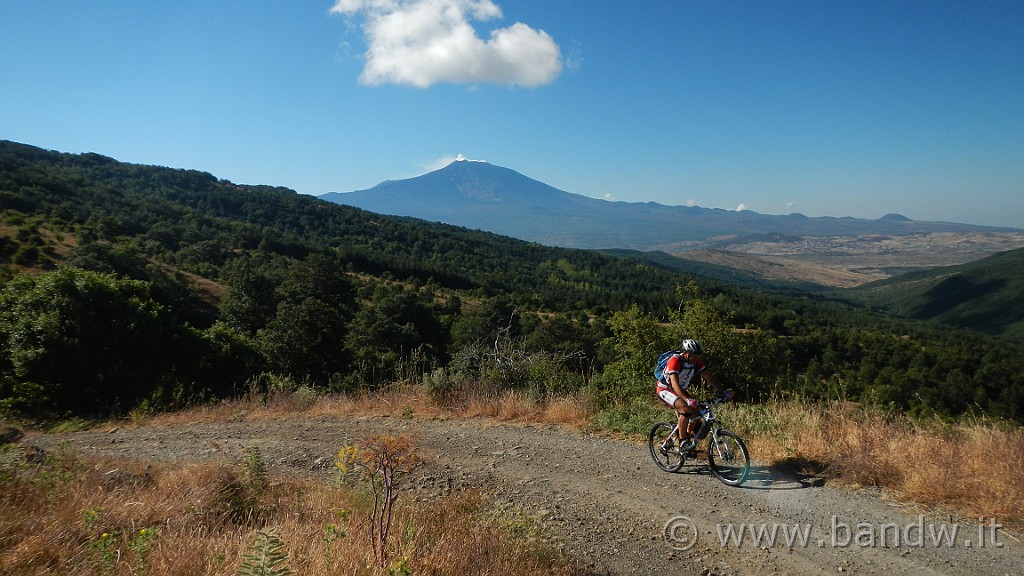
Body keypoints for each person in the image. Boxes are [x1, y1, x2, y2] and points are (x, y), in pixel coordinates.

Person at [655, 339, 732, 454]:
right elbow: (674, 383)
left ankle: (686, 437)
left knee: (696, 414)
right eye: (693, 355)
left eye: (697, 355)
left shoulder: (696, 362)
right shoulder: (675, 361)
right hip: (665, 389)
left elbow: (708, 377)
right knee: (685, 409)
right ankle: (682, 442)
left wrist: (723, 391)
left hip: (680, 390)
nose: (696, 357)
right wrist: (687, 399)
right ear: (686, 353)